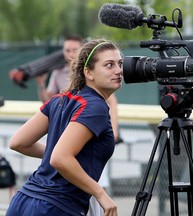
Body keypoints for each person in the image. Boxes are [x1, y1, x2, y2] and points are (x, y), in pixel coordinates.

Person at [6, 38, 123, 216]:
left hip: (22, 201)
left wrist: (59, 154)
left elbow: (18, 142)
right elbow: (60, 158)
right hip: (55, 207)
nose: (119, 71)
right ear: (88, 73)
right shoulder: (96, 106)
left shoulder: (61, 99)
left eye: (120, 64)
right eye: (109, 65)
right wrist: (101, 194)